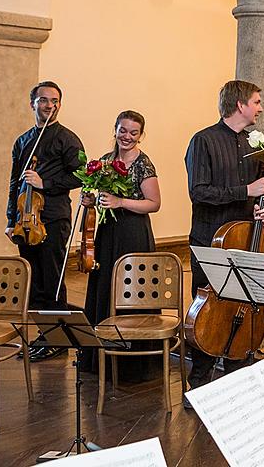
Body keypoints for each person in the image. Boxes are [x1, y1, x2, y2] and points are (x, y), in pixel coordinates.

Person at [183, 81, 264, 401]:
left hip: (247, 238)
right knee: (211, 311)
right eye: (257, 101)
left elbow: (262, 191)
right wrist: (246, 191)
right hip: (212, 240)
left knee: (243, 305)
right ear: (240, 105)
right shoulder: (203, 141)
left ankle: (236, 381)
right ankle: (200, 384)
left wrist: (261, 207)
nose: (261, 107)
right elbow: (199, 192)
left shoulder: (257, 143)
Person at [6, 81, 84, 361]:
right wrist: (10, 219)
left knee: (52, 279)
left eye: (54, 100)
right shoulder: (24, 140)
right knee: (35, 281)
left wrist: (45, 182)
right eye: (43, 100)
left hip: (52, 219)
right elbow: (15, 182)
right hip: (25, 221)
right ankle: (45, 335)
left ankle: (59, 339)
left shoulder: (67, 138)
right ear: (33, 104)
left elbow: (81, 175)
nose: (49, 105)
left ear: (59, 105)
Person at [79, 110, 161, 380]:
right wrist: (90, 201)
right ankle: (99, 356)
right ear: (114, 130)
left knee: (131, 292)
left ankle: (131, 364)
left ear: (141, 136)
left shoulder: (144, 164)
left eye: (133, 132)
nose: (127, 136)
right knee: (105, 288)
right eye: (123, 130)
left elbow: (154, 204)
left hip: (134, 234)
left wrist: (120, 202)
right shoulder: (104, 162)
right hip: (107, 233)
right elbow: (98, 197)